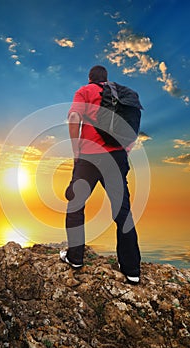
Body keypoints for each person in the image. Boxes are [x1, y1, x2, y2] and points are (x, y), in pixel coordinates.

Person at [60, 65, 141, 284]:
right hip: (116, 158)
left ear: (90, 78)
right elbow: (133, 128)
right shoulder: (124, 95)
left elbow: (75, 117)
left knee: (76, 206)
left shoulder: (85, 91)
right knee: (123, 212)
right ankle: (132, 270)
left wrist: (76, 149)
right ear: (106, 79)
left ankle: (75, 258)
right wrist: (124, 151)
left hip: (88, 156)